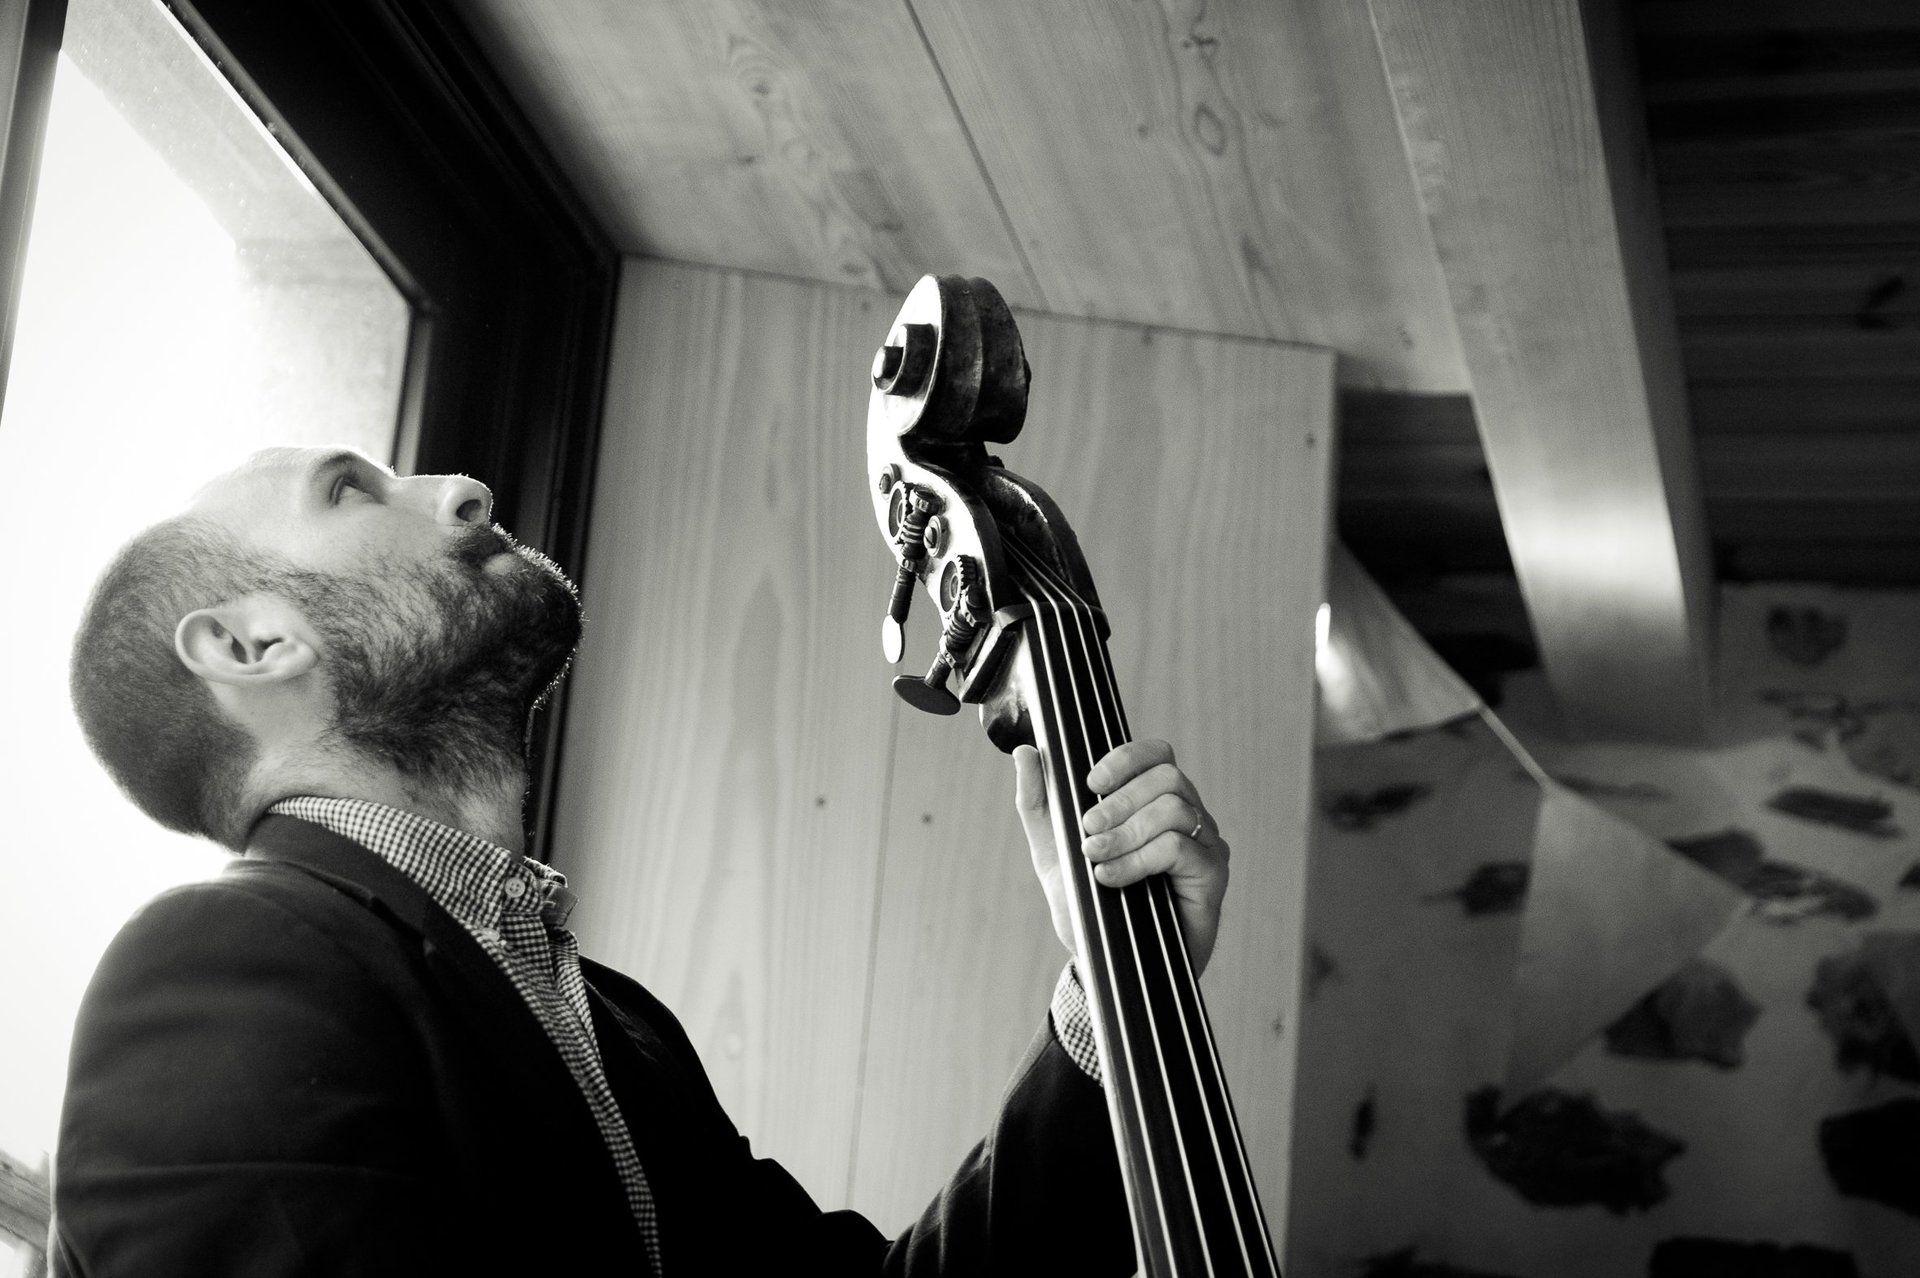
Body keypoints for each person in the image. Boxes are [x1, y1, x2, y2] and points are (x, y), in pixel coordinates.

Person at [50, 445, 1233, 1275]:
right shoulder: (217, 969)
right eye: (352, 490)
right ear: (251, 645)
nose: (463, 490)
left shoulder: (616, 1025)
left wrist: (1111, 991)